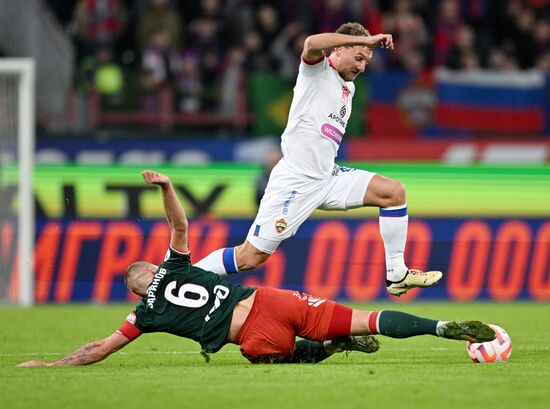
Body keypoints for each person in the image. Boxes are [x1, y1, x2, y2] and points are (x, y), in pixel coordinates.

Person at [19, 171, 496, 367]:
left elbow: (100, 348)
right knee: (368, 318)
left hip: (253, 337)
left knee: (270, 358)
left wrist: (53, 365)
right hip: (270, 300)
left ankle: (321, 350)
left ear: (136, 292)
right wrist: (165, 186)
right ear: (152, 267)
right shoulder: (175, 265)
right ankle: (442, 326)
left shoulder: (142, 315)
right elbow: (179, 225)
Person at [194, 22, 442, 296]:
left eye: (366, 62)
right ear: (339, 48)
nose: (362, 67)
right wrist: (368, 40)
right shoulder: (316, 70)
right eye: (359, 57)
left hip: (328, 177)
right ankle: (181, 278)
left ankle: (396, 275)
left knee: (393, 192)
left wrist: (365, 46)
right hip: (295, 181)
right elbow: (311, 42)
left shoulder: (349, 88)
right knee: (249, 257)